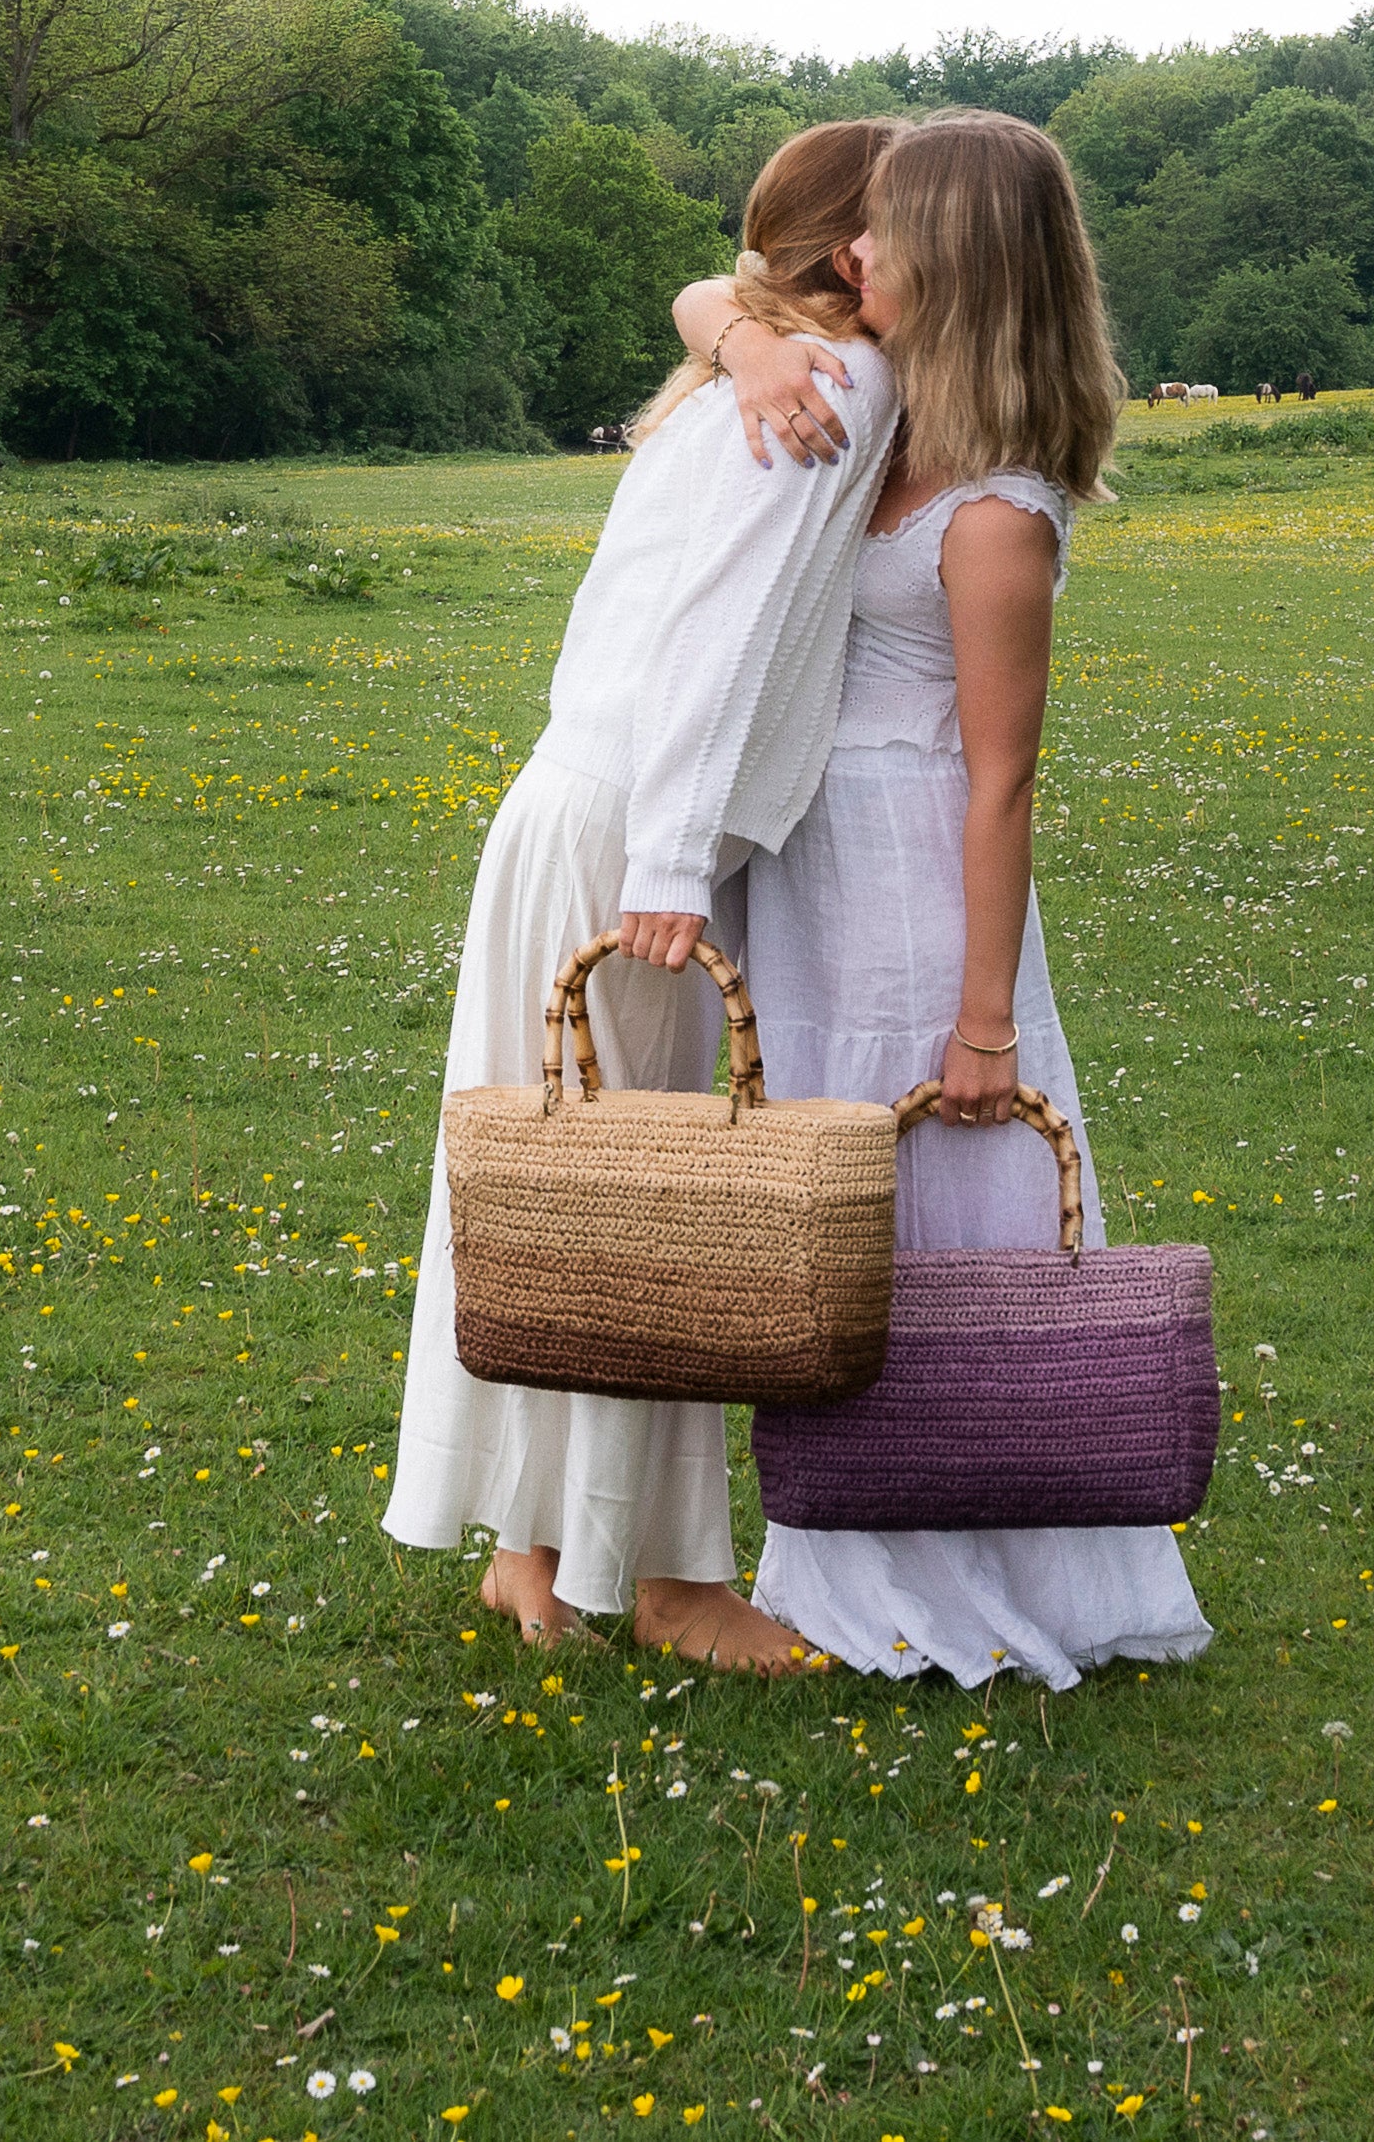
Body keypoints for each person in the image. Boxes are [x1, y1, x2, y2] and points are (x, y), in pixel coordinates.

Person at [679, 112, 1211, 1690]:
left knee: (933, 1211)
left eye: (885, 237)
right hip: (816, 877)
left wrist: (986, 1022)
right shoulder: (886, 421)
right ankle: (839, 1541)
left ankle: (943, 1556)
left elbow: (1000, 779)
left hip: (915, 885)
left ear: (958, 267)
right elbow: (718, 293)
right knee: (825, 1215)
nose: (854, 259)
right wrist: (742, 339)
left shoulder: (993, 510)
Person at [384, 120, 904, 1669]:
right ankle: (665, 1583)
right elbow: (715, 638)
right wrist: (676, 862)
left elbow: (705, 293)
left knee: (566, 1192)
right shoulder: (828, 385)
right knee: (643, 1210)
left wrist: (735, 325)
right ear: (844, 254)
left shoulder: (750, 368)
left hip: (576, 803)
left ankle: (535, 1552)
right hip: (630, 827)